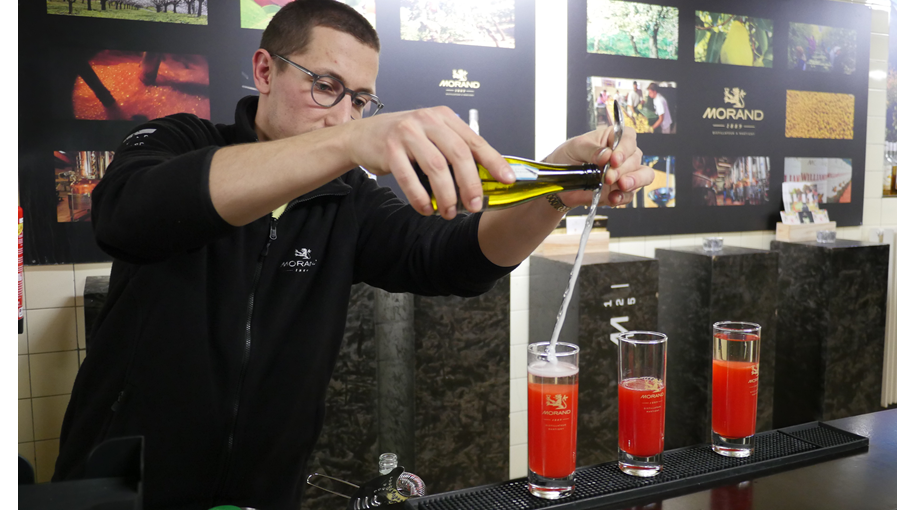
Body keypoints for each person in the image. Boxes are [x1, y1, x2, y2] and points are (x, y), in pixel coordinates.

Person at [53, 1, 652, 509]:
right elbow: (129, 215)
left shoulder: (347, 199)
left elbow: (456, 259)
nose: (342, 113)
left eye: (360, 100)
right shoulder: (180, 141)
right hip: (124, 486)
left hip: (264, 491)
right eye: (326, 86)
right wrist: (349, 140)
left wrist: (555, 185)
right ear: (264, 70)